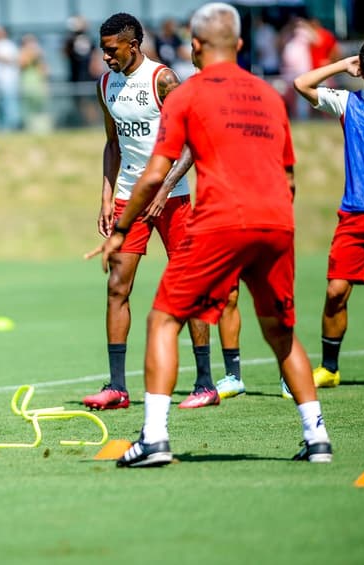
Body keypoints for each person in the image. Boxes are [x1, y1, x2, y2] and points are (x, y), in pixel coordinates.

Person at [88, 2, 332, 467]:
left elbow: (163, 164)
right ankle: (317, 436)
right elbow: (291, 176)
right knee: (282, 332)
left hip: (218, 217)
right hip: (276, 219)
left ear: (195, 46)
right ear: (240, 45)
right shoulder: (268, 94)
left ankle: (156, 437)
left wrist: (121, 227)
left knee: (164, 318)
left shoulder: (184, 92)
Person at [82, 12, 220, 412]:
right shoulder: (105, 84)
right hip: (129, 196)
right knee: (116, 286)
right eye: (102, 50)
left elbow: (194, 141)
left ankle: (206, 383)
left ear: (133, 45)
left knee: (189, 284)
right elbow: (113, 144)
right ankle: (118, 387)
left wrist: (166, 185)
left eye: (111, 51)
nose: (105, 58)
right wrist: (107, 198)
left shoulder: (163, 80)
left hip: (173, 198)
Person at [293, 39, 364, 389]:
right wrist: (343, 64)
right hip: (355, 215)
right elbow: (301, 84)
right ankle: (329, 368)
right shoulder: (348, 102)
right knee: (335, 292)